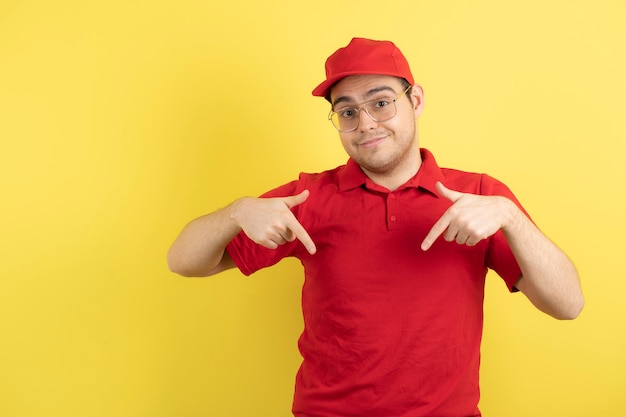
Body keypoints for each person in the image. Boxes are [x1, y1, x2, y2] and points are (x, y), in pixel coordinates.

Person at [168, 37, 584, 417]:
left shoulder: (478, 195)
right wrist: (238, 211)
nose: (365, 123)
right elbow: (184, 262)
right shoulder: (307, 197)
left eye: (380, 103)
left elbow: (568, 305)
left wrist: (510, 217)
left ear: (415, 100)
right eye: (347, 111)